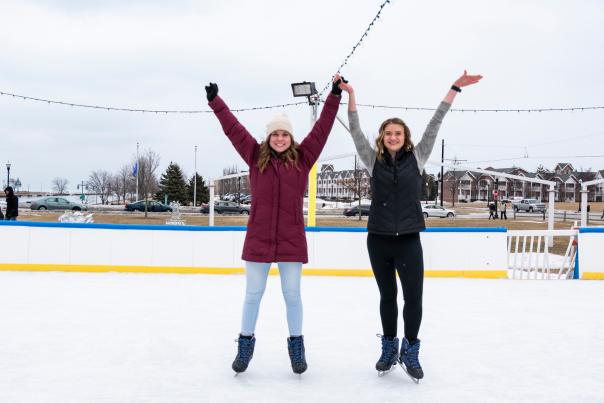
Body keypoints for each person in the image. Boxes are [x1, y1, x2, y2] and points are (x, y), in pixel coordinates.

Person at [340, 70, 482, 380]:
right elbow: (354, 129)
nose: (393, 137)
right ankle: (389, 346)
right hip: (378, 239)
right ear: (382, 137)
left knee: (413, 298)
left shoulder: (417, 158)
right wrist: (350, 94)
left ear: (405, 138)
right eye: (388, 133)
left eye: (398, 134)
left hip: (408, 239)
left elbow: (435, 122)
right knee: (387, 297)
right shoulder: (371, 159)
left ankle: (411, 349)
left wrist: (455, 87)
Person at [205, 75, 344, 374]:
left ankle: (296, 347)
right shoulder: (255, 157)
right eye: (275, 134)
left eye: (285, 134)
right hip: (258, 238)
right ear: (268, 138)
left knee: (292, 295)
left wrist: (333, 96)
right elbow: (234, 130)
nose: (280, 138)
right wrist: (217, 102)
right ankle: (244, 346)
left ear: (291, 138)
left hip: (291, 238)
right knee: (252, 295)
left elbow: (322, 129)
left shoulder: (304, 158)